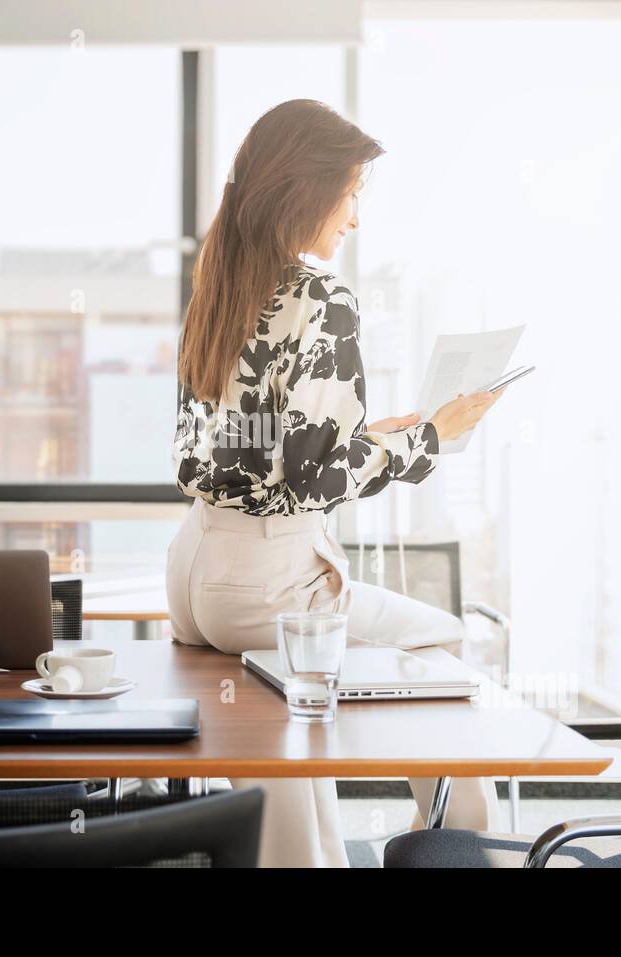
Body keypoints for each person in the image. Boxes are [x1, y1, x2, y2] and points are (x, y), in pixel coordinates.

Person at [167, 99, 503, 867]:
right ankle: (469, 858)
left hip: (197, 571)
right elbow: (316, 476)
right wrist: (428, 438)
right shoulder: (323, 297)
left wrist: (370, 437)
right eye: (351, 194)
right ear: (306, 190)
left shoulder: (220, 289)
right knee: (440, 643)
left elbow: (223, 450)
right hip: (267, 583)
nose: (354, 218)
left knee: (293, 735)